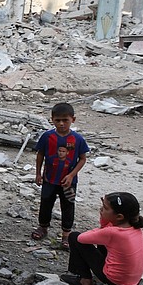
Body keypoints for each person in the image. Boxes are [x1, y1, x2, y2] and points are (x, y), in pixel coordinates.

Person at [61, 192, 143, 285]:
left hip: (114, 280)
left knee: (74, 237)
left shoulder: (112, 232)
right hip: (132, 280)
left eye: (105, 208)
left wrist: (103, 222)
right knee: (101, 242)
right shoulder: (135, 226)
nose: (101, 209)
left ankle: (85, 282)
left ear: (119, 217)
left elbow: (81, 238)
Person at [33, 102, 90, 248]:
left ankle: (66, 234)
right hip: (49, 178)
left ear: (73, 119)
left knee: (68, 205)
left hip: (68, 182)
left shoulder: (77, 139)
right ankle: (43, 227)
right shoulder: (47, 137)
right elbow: (40, 154)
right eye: (58, 120)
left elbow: (83, 158)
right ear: (52, 119)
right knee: (46, 203)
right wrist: (38, 173)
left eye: (65, 120)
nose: (61, 123)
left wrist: (71, 175)